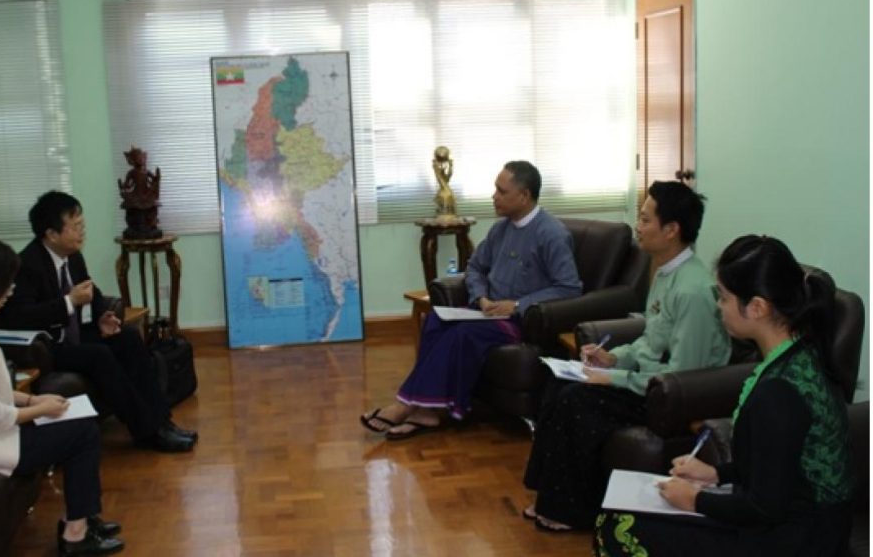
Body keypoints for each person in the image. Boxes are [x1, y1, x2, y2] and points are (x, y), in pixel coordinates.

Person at [595, 235, 855, 556]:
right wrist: (716, 474)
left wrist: (695, 500)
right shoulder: (799, 354)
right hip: (789, 518)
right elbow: (776, 467)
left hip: (795, 539)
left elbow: (764, 507)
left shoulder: (779, 392)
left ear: (757, 307)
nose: (718, 307)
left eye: (723, 298)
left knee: (618, 526)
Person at [522, 180, 731, 531]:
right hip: (649, 380)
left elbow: (681, 376)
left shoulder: (693, 291)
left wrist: (613, 379)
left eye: (646, 219)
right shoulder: (665, 272)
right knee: (557, 382)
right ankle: (548, 494)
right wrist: (614, 358)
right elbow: (651, 340)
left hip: (672, 396)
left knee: (577, 400)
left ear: (671, 230)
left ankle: (570, 511)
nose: (638, 226)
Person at [360, 160, 582, 439]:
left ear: (524, 196)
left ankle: (405, 406)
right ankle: (427, 412)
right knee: (434, 321)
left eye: (501, 191)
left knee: (463, 334)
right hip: (487, 312)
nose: (494, 196)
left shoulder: (551, 234)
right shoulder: (501, 229)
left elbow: (569, 288)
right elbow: (475, 268)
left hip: (520, 320)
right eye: (495, 189)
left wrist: (517, 305)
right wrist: (481, 297)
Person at [0, 236, 124, 556]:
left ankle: (84, 518)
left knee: (80, 425)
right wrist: (43, 410)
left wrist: (33, 400)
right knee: (83, 433)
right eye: (5, 285)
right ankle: (76, 534)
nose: (10, 292)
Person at [0, 191, 197, 453]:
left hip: (75, 336)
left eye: (82, 224)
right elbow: (21, 316)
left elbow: (93, 292)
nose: (82, 231)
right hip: (49, 347)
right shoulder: (27, 265)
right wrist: (69, 302)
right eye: (75, 226)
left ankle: (162, 421)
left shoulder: (72, 256)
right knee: (99, 355)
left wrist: (103, 316)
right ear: (52, 234)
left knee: (128, 338)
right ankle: (148, 431)